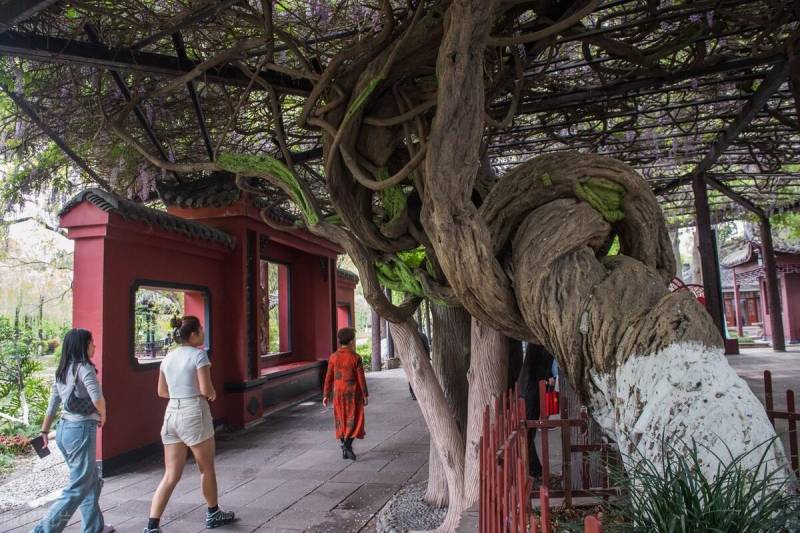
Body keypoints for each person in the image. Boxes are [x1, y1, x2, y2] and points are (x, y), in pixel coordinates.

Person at [143, 316, 234, 533]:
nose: (203, 333)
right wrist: (211, 394)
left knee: (171, 475)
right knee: (206, 468)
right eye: (200, 330)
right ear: (192, 334)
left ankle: (152, 526)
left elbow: (161, 392)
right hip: (193, 412)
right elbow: (206, 389)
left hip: (171, 413)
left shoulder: (168, 358)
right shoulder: (198, 355)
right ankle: (213, 513)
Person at [34, 328, 113, 533]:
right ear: (83, 345)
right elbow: (97, 397)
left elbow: (53, 403)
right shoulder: (85, 368)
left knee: (91, 481)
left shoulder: (63, 368)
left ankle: (95, 527)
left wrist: (44, 431)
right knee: (78, 486)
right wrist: (103, 415)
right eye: (91, 342)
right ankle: (44, 530)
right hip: (81, 431)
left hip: (64, 430)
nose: (94, 346)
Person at [323, 327, 369, 460]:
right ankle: (347, 446)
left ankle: (345, 448)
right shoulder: (355, 357)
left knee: (341, 420)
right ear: (351, 341)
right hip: (352, 394)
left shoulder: (333, 357)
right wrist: (365, 395)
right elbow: (361, 378)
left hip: (338, 393)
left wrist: (326, 395)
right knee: (355, 420)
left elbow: (328, 377)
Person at [520, 343, 554, 478]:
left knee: (528, 431)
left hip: (533, 388)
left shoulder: (541, 344)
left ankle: (534, 469)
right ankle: (532, 469)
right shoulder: (538, 344)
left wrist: (548, 376)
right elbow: (534, 367)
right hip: (530, 390)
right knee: (527, 430)